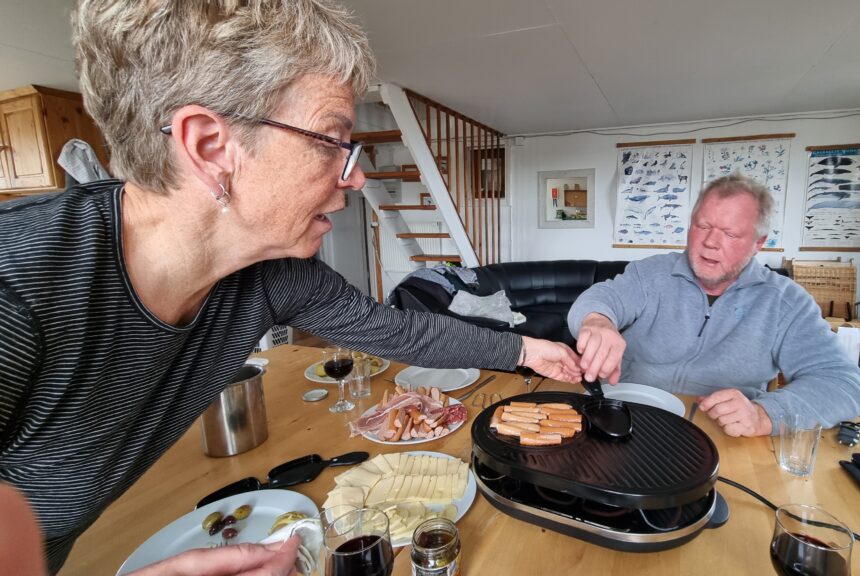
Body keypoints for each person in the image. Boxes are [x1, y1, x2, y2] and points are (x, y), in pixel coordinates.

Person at [0, 1, 581, 572]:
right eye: (332, 140)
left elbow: (399, 332)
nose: (355, 176)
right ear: (211, 147)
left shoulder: (277, 273)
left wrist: (526, 350)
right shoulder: (16, 288)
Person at [568, 174, 860, 437]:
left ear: (758, 244)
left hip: (718, 435)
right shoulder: (650, 274)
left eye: (730, 234)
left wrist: (765, 415)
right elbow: (602, 297)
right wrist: (597, 320)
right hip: (623, 420)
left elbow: (842, 384)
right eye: (703, 226)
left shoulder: (786, 302)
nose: (710, 242)